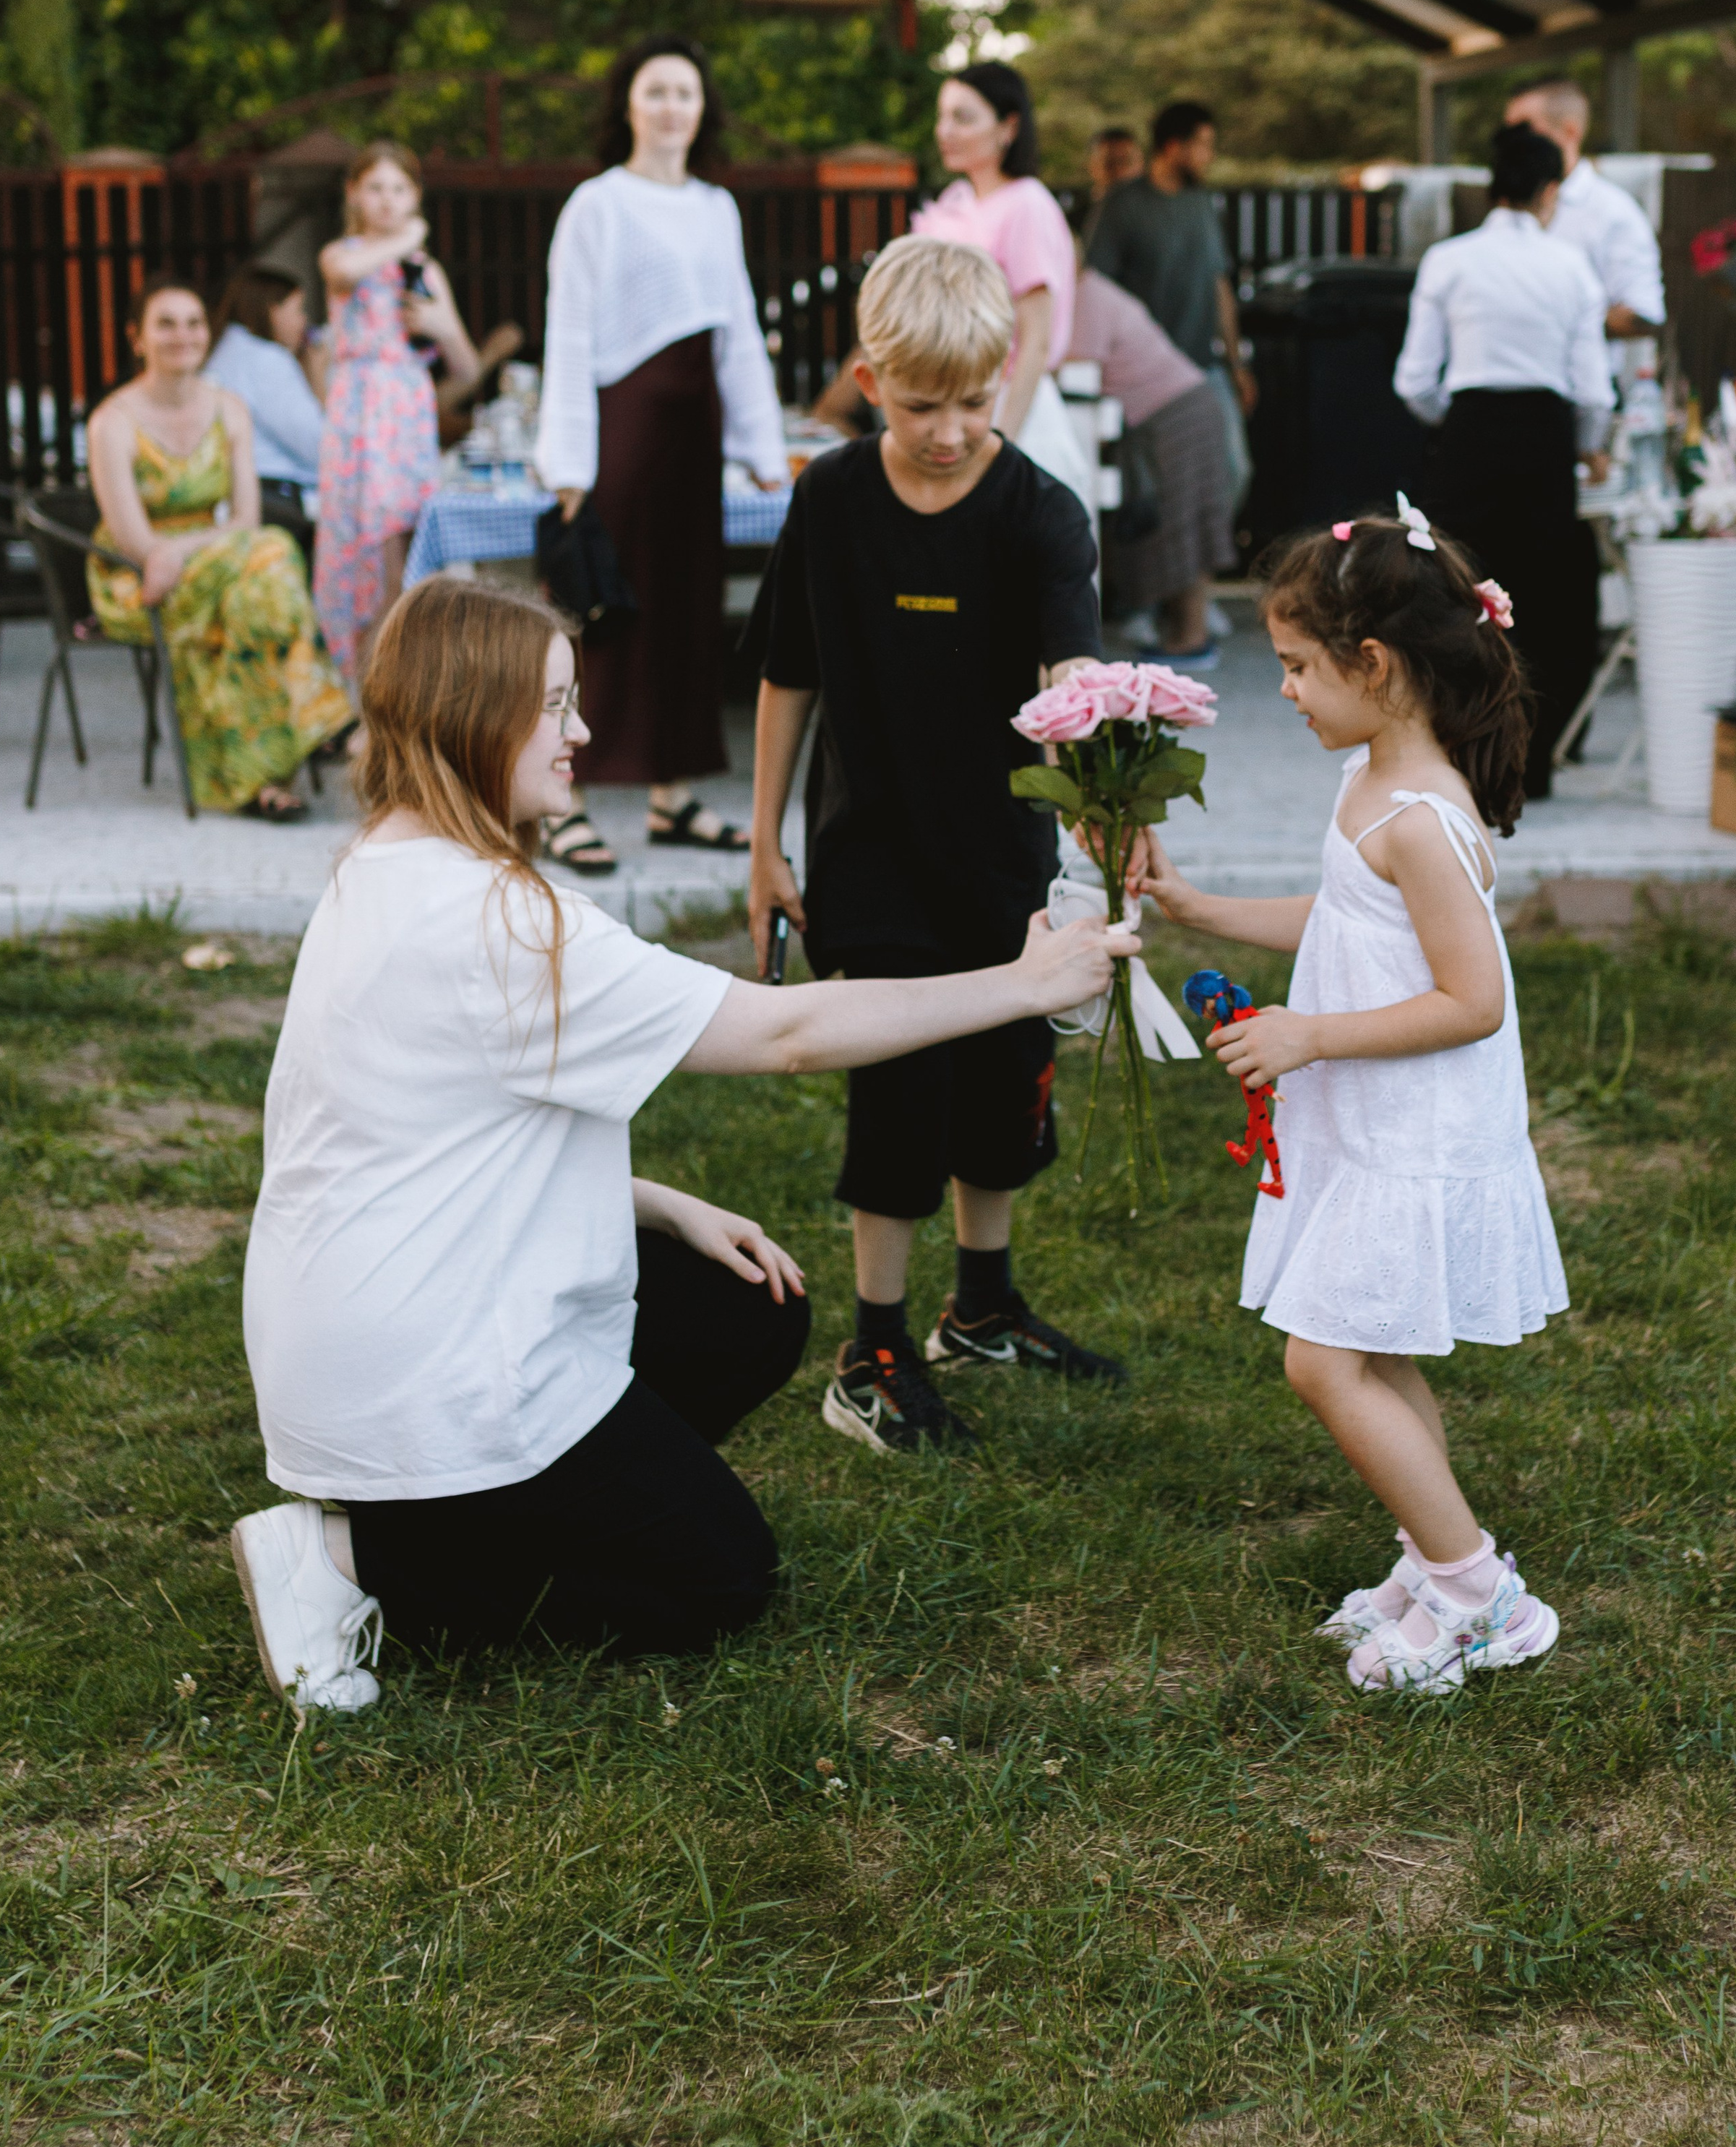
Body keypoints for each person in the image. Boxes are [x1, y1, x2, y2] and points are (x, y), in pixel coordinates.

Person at [230, 574, 1132, 1709]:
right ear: (473, 714)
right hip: (420, 1359)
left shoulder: (385, 867)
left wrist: (650, 1200)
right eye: (555, 707)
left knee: (746, 1307)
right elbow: (790, 1031)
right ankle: (351, 1560)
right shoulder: (498, 919)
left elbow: (426, 1128)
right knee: (717, 1579)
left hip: (366, 1321)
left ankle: (495, 1500)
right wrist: (1023, 982)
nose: (583, 734)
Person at [1133, 512, 1565, 1698]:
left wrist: (1309, 1033)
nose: (1284, 691)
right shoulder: (1367, 777)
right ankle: (1437, 1562)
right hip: (1372, 1125)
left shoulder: (1422, 818)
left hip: (1415, 1135)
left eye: (1297, 667)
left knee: (1322, 1364)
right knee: (1365, 1352)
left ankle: (1482, 1597)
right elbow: (1342, 923)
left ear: (1373, 664)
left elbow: (1472, 999)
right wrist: (1200, 909)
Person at [748, 233, 1129, 1460]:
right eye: (922, 406)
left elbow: (1069, 681)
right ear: (868, 379)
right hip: (869, 860)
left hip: (998, 859)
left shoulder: (1042, 517)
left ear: (1006, 371)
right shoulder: (828, 498)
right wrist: (763, 842)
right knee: (901, 1093)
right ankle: (874, 1347)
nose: (952, 429)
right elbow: (787, 675)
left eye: (974, 402)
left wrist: (1097, 825)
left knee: (1004, 1085)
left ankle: (984, 1306)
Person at [535, 33, 787, 878]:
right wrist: (568, 461)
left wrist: (761, 445)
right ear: (628, 106)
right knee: (602, 614)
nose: (672, 106)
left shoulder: (717, 206)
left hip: (696, 434)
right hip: (623, 428)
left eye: (686, 91)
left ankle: (671, 797)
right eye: (656, 91)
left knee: (684, 613)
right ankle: (559, 805)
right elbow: (566, 332)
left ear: (701, 108)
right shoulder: (596, 204)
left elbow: (739, 330)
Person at [1393, 124, 1613, 800]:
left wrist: (1460, 421)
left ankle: (1450, 758)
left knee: (1456, 599)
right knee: (1541, 606)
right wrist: (1585, 444)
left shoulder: (1448, 260)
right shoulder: (1572, 267)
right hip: (1546, 440)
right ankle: (1529, 766)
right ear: (1550, 192)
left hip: (1469, 436)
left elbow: (1413, 381)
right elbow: (1595, 392)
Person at [86, 277, 353, 819]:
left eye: (194, 322)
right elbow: (137, 542)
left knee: (257, 587)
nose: (183, 335)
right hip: (134, 576)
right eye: (166, 323)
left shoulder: (229, 409)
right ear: (137, 338)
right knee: (270, 557)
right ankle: (324, 722)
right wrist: (174, 554)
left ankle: (260, 782)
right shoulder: (112, 422)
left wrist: (180, 552)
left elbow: (248, 518)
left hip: (205, 563)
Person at [314, 139, 481, 682]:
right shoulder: (344, 254)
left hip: (407, 419)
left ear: (415, 195)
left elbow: (468, 370)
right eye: (376, 188)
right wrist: (406, 238)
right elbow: (343, 277)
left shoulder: (424, 272)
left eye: (398, 189)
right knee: (369, 553)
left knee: (408, 555)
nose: (387, 200)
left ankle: (397, 691)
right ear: (354, 194)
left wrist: (442, 328)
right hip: (361, 418)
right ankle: (368, 696)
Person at [911, 61, 1096, 508]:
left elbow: (1035, 340)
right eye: (942, 116)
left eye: (964, 117)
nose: (945, 131)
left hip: (1013, 407)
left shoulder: (1027, 205)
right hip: (949, 406)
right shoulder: (953, 203)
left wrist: (1000, 444)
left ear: (1008, 127)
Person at [1085, 100, 1256, 517]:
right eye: (1204, 145)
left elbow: (1220, 288)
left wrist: (1235, 365)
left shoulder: (1201, 204)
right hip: (1145, 373)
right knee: (1157, 486)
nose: (1209, 157)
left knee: (1235, 471)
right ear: (1174, 146)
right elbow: (1093, 289)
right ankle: (1172, 580)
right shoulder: (1123, 205)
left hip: (1205, 365)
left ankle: (1198, 570)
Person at [1067, 267, 1234, 663]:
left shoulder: (1085, 297)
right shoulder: (1091, 291)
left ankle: (1191, 640)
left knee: (1183, 524)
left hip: (1176, 412)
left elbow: (1074, 366)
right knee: (1178, 524)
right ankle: (1184, 633)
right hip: (1180, 407)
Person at [1503, 77, 1666, 343]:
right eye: (1509, 131)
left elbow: (1643, 315)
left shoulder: (1614, 213)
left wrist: (1548, 318)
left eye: (1524, 130)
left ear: (1570, 132)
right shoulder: (1507, 206)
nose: (1512, 143)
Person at [206, 260, 325, 545]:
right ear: (273, 310)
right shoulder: (266, 360)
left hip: (237, 500)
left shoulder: (225, 352)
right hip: (276, 505)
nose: (304, 321)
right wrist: (319, 377)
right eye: (298, 310)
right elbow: (320, 446)